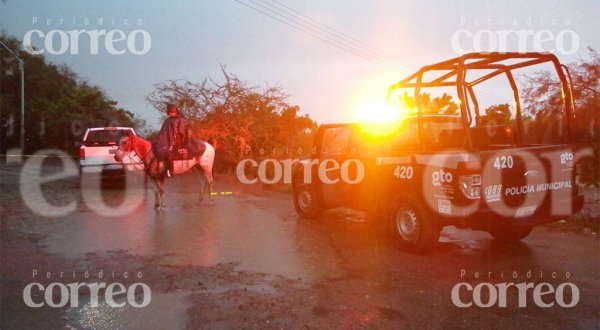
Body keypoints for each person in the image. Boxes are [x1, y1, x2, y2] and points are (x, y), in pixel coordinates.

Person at [154, 104, 188, 177]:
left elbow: (181, 132)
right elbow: (163, 132)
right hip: (167, 140)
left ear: (174, 111)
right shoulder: (167, 120)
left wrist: (176, 140)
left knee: (168, 152)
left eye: (171, 112)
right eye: (169, 112)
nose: (169, 114)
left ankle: (170, 171)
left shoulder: (181, 120)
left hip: (176, 140)